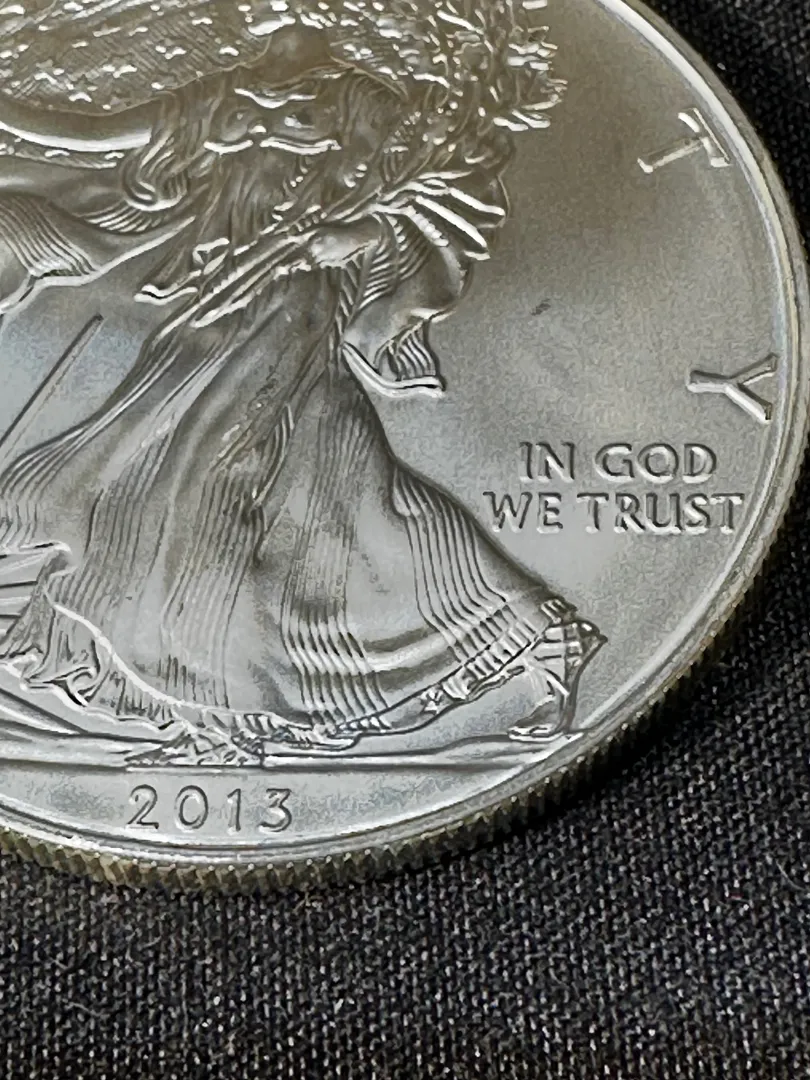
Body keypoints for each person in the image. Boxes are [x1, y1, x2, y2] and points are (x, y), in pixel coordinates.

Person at [0, 0, 603, 763]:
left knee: (205, 480)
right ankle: (530, 633)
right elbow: (87, 134)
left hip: (292, 300)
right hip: (212, 301)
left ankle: (225, 714)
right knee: (327, 485)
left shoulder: (365, 101)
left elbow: (420, 204)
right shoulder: (218, 93)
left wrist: (357, 231)